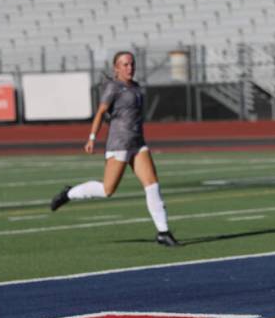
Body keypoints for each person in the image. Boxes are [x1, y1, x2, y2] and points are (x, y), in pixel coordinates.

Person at [50, 51, 179, 247]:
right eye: (125, 65)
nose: (130, 68)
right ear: (116, 68)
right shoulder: (113, 87)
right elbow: (101, 112)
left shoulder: (136, 87)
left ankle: (163, 232)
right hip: (119, 144)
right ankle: (69, 193)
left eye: (132, 64)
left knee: (152, 185)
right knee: (107, 190)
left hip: (138, 143)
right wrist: (92, 138)